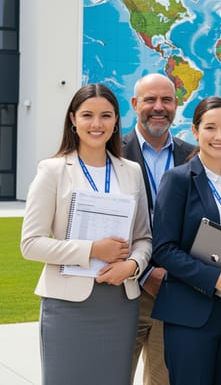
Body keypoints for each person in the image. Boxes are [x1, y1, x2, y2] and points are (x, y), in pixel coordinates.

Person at [21, 83, 152, 385]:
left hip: (120, 302)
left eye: (106, 116)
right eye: (87, 115)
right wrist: (92, 250)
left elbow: (144, 237)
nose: (97, 124)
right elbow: (31, 244)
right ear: (73, 120)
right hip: (68, 305)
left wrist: (132, 266)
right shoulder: (52, 170)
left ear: (116, 121)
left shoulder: (131, 170)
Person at [151, 96, 221, 385]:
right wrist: (214, 279)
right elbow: (163, 248)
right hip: (190, 312)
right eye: (210, 128)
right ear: (196, 132)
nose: (219, 136)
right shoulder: (178, 180)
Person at [123, 73, 195, 385]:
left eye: (166, 100)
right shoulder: (112, 151)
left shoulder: (193, 156)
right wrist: (145, 270)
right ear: (135, 104)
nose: (158, 107)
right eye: (150, 100)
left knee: (164, 379)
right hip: (124, 290)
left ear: (176, 105)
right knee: (113, 374)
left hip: (174, 289)